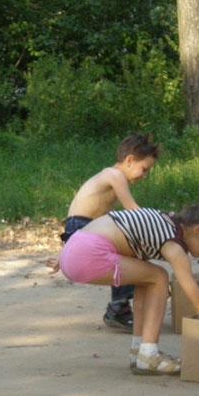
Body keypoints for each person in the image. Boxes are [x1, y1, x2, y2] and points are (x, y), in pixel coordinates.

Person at [59, 204, 199, 375]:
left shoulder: (166, 223)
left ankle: (139, 350)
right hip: (87, 254)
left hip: (73, 249)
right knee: (159, 277)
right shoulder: (174, 246)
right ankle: (149, 355)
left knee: (147, 278)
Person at [60, 133, 159, 332]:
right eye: (144, 169)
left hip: (81, 227)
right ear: (130, 160)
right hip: (81, 225)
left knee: (129, 247)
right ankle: (119, 307)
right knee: (129, 253)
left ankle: (126, 303)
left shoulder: (111, 177)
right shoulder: (115, 176)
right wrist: (160, 219)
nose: (145, 175)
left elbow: (114, 218)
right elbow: (132, 210)